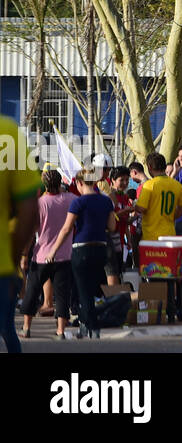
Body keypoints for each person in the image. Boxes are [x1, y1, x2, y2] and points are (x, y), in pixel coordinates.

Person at [49, 170, 118, 339]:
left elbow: (66, 229)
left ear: (79, 183)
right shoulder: (106, 201)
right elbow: (112, 227)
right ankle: (84, 325)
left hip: (82, 248)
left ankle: (92, 326)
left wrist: (53, 251)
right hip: (101, 248)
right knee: (92, 289)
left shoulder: (78, 203)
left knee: (82, 290)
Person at [19, 170, 76, 341]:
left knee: (32, 291)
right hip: (64, 255)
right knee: (62, 294)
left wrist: (24, 255)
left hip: (42, 255)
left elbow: (30, 233)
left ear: (44, 185)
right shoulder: (71, 200)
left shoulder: (39, 204)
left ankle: (26, 327)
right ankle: (60, 330)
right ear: (60, 183)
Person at [2, 120, 40, 353]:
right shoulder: (8, 133)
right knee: (7, 328)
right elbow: (30, 212)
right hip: (3, 270)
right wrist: (14, 259)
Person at [106, 166, 133, 284]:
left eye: (127, 180)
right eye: (121, 180)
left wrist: (129, 239)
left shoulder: (125, 197)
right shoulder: (109, 196)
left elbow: (125, 221)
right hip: (110, 240)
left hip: (121, 241)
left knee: (119, 272)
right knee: (112, 273)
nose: (125, 183)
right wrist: (125, 211)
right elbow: (110, 217)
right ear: (112, 180)